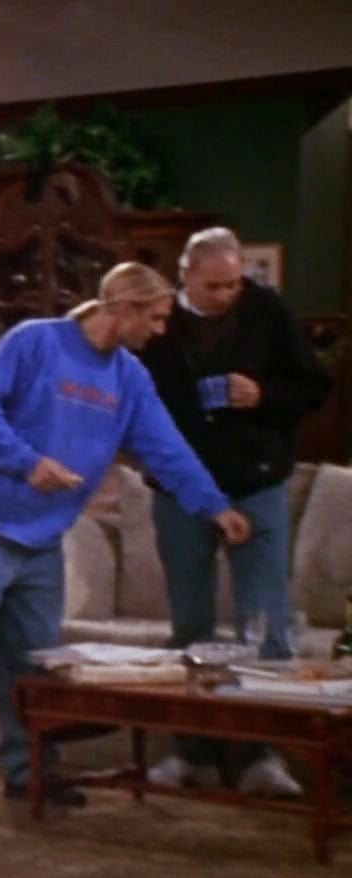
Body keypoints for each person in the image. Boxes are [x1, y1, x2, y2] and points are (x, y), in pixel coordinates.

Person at [0, 263, 253, 808]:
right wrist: (27, 463)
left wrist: (214, 507)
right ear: (122, 308)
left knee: (34, 663)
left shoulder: (129, 377)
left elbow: (165, 448)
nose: (159, 330)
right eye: (153, 318)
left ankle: (29, 770)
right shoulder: (35, 342)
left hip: (44, 540)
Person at [138, 228, 330, 798]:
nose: (227, 294)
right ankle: (191, 752)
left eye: (234, 283)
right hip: (179, 489)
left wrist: (262, 394)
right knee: (190, 626)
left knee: (265, 626)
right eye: (214, 285)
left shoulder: (268, 313)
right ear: (186, 276)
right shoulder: (160, 322)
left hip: (255, 484)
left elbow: (314, 386)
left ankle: (260, 757)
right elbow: (144, 405)